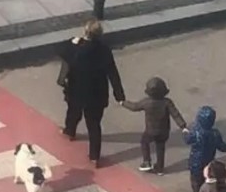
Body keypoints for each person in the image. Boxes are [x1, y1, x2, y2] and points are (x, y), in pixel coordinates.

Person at [58, 19, 125, 167]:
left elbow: (62, 52)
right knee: (94, 125)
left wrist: (72, 42)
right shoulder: (104, 50)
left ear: (86, 32)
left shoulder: (77, 48)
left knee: (73, 111)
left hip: (77, 90)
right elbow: (113, 73)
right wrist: (119, 95)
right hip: (97, 94)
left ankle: (70, 131)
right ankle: (94, 156)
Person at [120, 76, 187, 175]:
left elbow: (134, 107)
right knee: (160, 147)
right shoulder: (167, 102)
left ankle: (147, 162)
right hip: (164, 131)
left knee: (144, 142)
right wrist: (183, 126)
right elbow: (175, 114)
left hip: (151, 130)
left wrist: (123, 103)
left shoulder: (146, 102)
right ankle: (160, 168)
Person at [185, 106, 226, 192]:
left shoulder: (195, 133)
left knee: (195, 180)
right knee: (209, 176)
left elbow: (187, 139)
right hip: (209, 160)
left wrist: (185, 132)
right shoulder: (215, 133)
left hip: (196, 161)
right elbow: (221, 146)